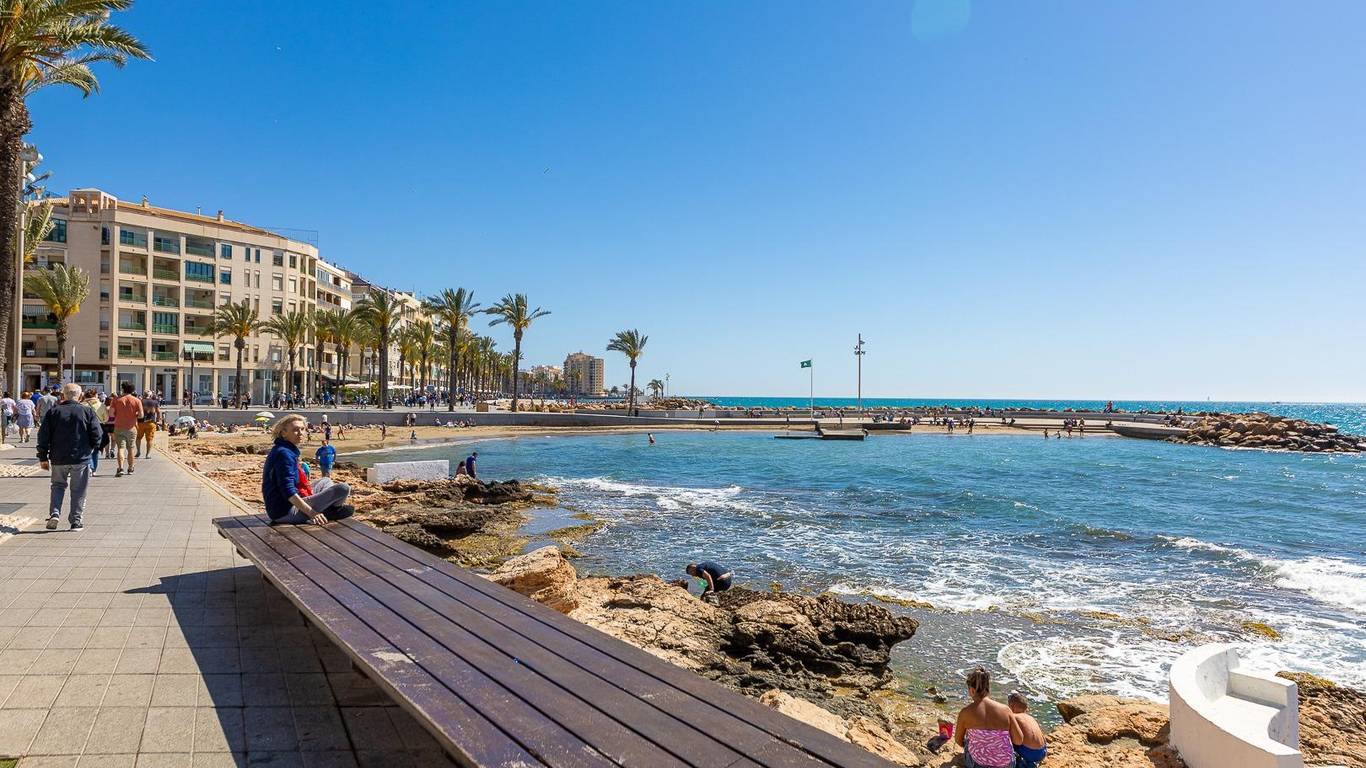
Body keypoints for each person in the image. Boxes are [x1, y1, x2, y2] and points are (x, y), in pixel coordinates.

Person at [262, 414, 353, 525]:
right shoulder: (284, 454)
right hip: (285, 511)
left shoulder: (284, 449)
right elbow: (288, 491)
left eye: (302, 429)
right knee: (343, 489)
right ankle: (329, 512)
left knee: (326, 480)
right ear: (283, 433)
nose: (300, 433)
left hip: (285, 506)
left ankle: (329, 509)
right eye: (295, 430)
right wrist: (312, 513)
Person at [36, 383, 102, 531]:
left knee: (57, 486)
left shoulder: (53, 412)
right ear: (80, 396)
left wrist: (43, 456)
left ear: (63, 395)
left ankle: (55, 513)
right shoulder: (87, 411)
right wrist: (91, 448)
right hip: (81, 457)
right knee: (79, 490)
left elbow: (43, 436)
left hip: (58, 457)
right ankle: (76, 521)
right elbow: (97, 434)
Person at [953, 667, 1021, 768]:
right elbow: (1018, 740)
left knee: (969, 739)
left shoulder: (965, 712)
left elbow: (958, 740)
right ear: (988, 688)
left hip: (978, 764)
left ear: (972, 690)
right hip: (1006, 765)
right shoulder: (1005, 710)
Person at [107, 381, 144, 477]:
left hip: (119, 427)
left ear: (122, 389)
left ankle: (120, 468)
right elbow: (141, 415)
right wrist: (134, 415)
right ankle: (131, 468)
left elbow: (111, 414)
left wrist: (118, 415)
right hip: (132, 427)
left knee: (120, 448)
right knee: (131, 448)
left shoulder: (116, 400)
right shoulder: (137, 401)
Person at [1007, 692, 1047, 767]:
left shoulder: (1014, 717)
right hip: (1043, 751)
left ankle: (1020, 764)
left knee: (1006, 739)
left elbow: (1017, 741)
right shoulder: (1031, 718)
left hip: (1030, 753)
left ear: (1011, 706)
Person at [79, 389, 106, 475]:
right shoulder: (101, 405)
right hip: (98, 427)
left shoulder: (81, 405)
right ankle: (93, 469)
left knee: (86, 448)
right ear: (95, 395)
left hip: (84, 428)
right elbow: (106, 418)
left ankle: (89, 467)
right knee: (96, 450)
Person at [137, 389, 161, 458]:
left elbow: (136, 411)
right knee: (149, 439)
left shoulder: (140, 401)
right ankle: (147, 454)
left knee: (138, 438)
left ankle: (138, 451)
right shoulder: (155, 402)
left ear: (143, 395)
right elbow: (158, 412)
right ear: (150, 395)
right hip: (151, 423)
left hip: (141, 422)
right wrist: (158, 420)